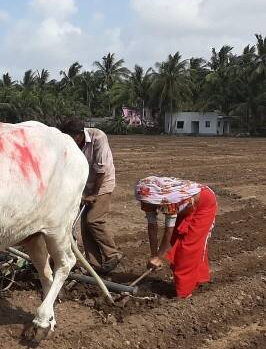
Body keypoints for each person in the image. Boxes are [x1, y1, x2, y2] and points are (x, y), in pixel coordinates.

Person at [134, 176, 217, 298]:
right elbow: (152, 226)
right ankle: (194, 280)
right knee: (175, 243)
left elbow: (169, 231)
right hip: (186, 205)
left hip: (203, 204)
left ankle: (184, 293)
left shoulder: (169, 200)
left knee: (187, 248)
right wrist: (153, 255)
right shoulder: (147, 196)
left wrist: (159, 257)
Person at [60, 119, 122, 274]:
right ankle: (95, 265)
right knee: (85, 227)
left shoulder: (98, 138)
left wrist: (93, 194)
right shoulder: (68, 143)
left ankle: (113, 254)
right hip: (84, 186)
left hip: (102, 184)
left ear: (80, 135)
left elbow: (101, 170)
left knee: (93, 220)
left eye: (71, 137)